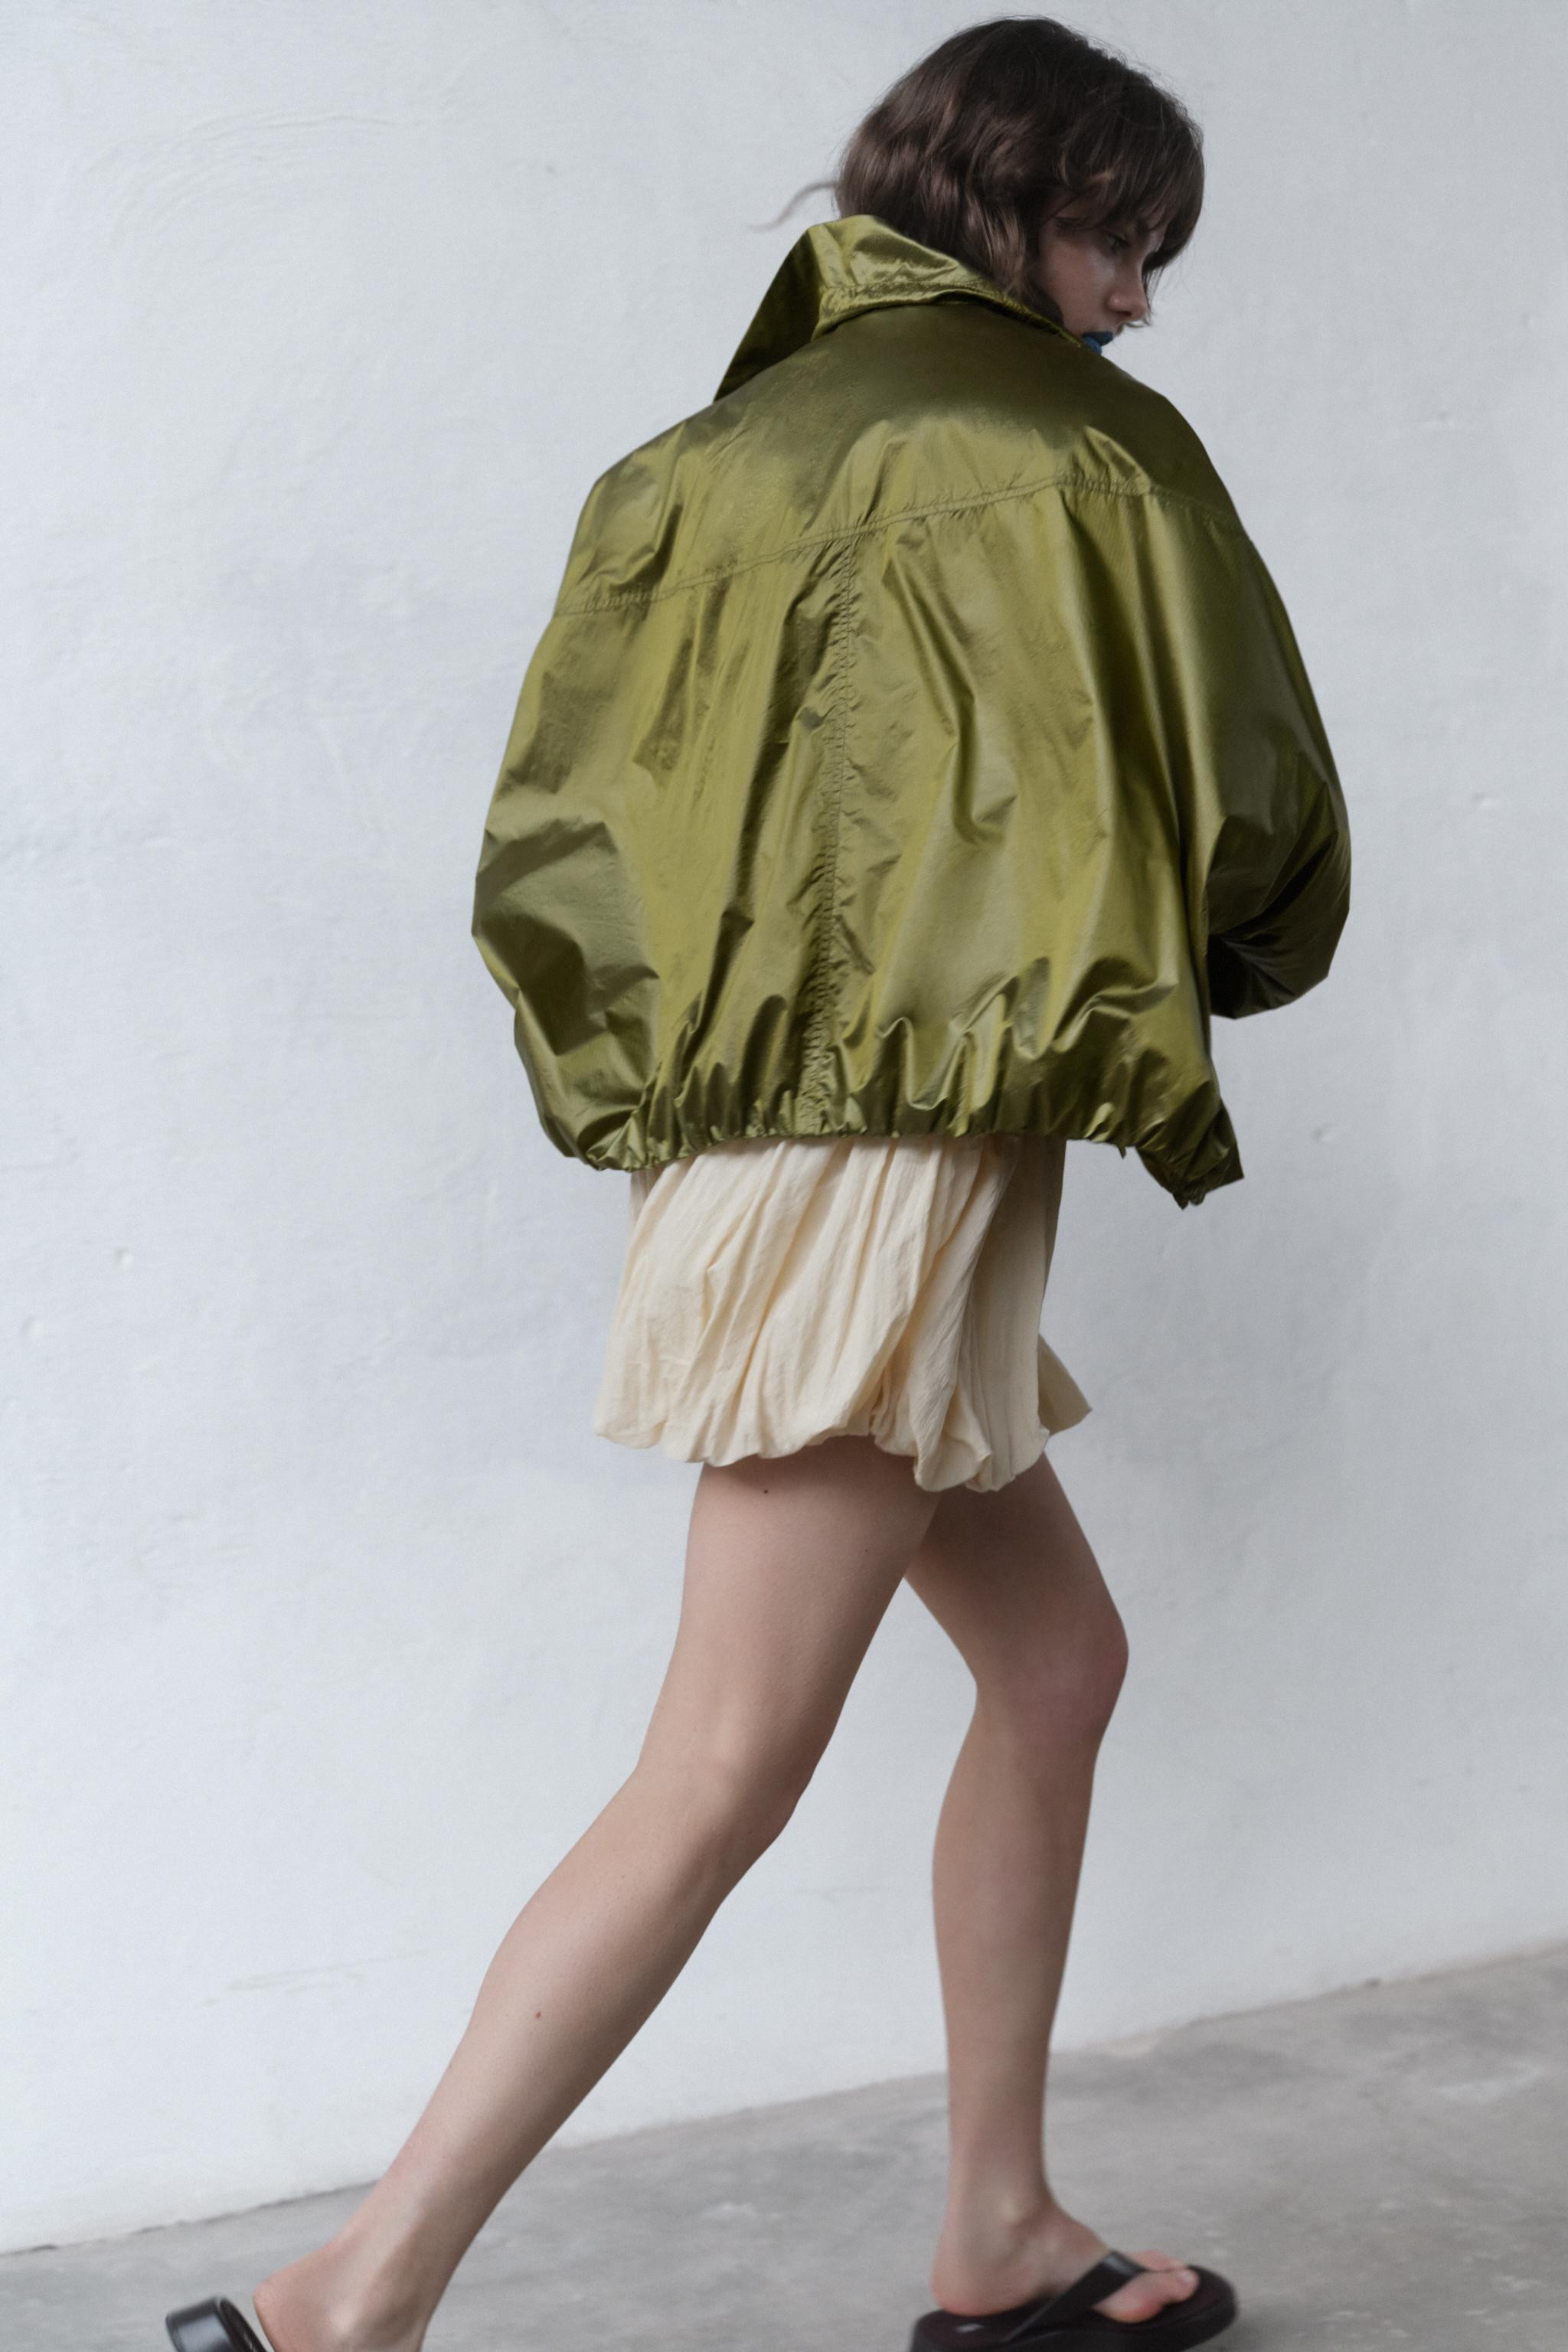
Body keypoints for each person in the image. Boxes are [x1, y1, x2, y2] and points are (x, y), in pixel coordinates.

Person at [167, 17, 1348, 2352]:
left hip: (752, 1153)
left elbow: (560, 854)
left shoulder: (686, 469)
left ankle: (998, 2233)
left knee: (1060, 1663)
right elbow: (1251, 807)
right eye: (1117, 237)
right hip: (898, 1164)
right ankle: (343, 2304)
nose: (1136, 297)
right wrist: (1179, 952)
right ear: (1009, 197)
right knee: (718, 1765)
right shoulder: (1072, 444)